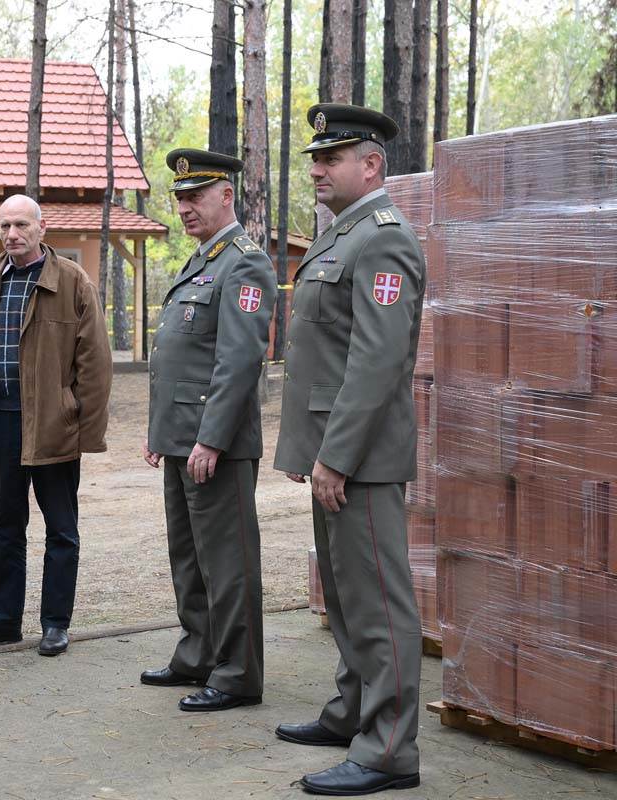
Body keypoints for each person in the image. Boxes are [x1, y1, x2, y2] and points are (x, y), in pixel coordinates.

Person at [273, 103, 425, 796]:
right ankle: (353, 712)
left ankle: (390, 750)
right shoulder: (344, 236)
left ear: (371, 164)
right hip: (333, 450)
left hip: (359, 458)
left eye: (330, 158)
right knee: (344, 594)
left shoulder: (383, 239)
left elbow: (377, 360)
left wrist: (337, 455)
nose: (316, 169)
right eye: (315, 158)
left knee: (379, 604)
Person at [139, 150, 276, 712]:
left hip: (212, 444)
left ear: (227, 196)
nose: (185, 207)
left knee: (228, 561)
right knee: (189, 556)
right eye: (179, 197)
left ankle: (239, 672)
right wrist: (160, 432)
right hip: (181, 438)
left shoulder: (244, 263)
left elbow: (239, 361)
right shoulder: (201, 261)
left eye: (196, 196)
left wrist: (211, 438)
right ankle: (198, 652)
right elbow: (179, 357)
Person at [0, 194, 112, 657]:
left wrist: (85, 431)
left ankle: (55, 623)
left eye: (21, 225)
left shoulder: (71, 281)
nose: (12, 235)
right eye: (4, 226)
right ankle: (2, 619)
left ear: (42, 228)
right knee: (5, 524)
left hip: (53, 424)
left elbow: (96, 364)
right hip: (2, 421)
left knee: (60, 528)